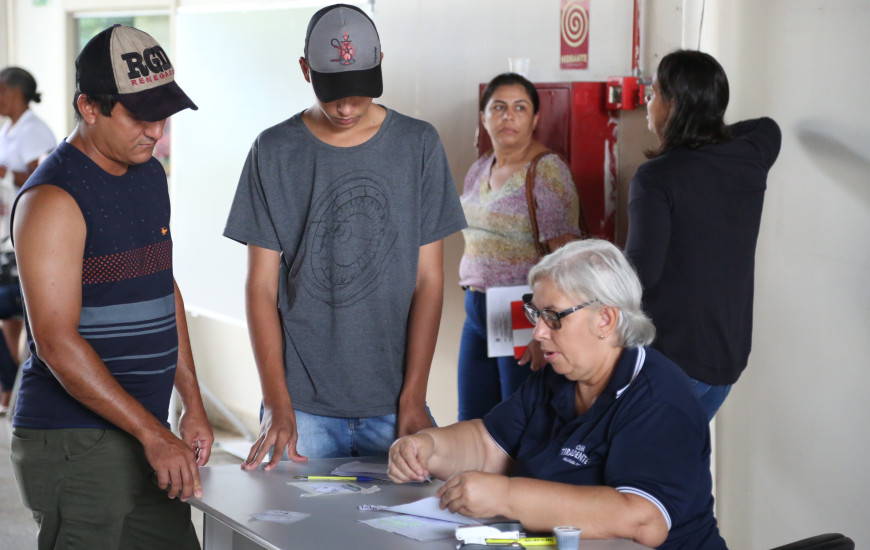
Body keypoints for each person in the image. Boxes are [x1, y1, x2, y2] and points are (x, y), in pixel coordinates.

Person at [224, 4, 466, 466]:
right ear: (304, 71)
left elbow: (429, 281)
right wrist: (276, 402)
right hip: (301, 407)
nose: (348, 107)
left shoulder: (418, 145)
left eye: (359, 91)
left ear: (379, 66)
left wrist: (414, 396)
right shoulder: (273, 151)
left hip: (395, 403)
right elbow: (259, 287)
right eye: (334, 93)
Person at [9, 25, 213, 550]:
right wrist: (153, 433)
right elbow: (55, 342)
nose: (156, 132)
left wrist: (190, 401)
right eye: (140, 117)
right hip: (77, 441)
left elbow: (161, 286)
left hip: (145, 429)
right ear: (90, 106)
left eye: (163, 116)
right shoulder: (54, 199)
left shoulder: (148, 173)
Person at [389, 239, 727, 550]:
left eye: (553, 317)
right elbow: (488, 444)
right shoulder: (558, 375)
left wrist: (507, 496)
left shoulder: (659, 398)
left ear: (605, 320)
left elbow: (641, 518)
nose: (538, 332)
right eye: (536, 314)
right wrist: (428, 448)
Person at [624, 50, 781, 420]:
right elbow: (765, 126)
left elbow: (638, 275)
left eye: (654, 93)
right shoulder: (750, 156)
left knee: (643, 472)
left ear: (674, 105)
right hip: (726, 358)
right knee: (681, 463)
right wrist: (708, 127)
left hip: (673, 359)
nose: (648, 103)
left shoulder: (656, 177)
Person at [457, 72, 583, 421]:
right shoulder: (481, 167)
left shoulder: (547, 171)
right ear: (484, 117)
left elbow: (566, 260)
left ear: (535, 118)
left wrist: (548, 333)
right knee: (472, 418)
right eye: (498, 107)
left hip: (523, 313)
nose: (508, 116)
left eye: (519, 108)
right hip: (478, 310)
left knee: (517, 422)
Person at [0, 66, 57, 414]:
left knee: (19, 313)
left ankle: (12, 383)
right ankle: (10, 390)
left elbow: (44, 177)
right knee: (11, 320)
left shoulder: (35, 131)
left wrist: (5, 174)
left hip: (25, 239)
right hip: (6, 237)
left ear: (15, 93)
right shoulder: (9, 128)